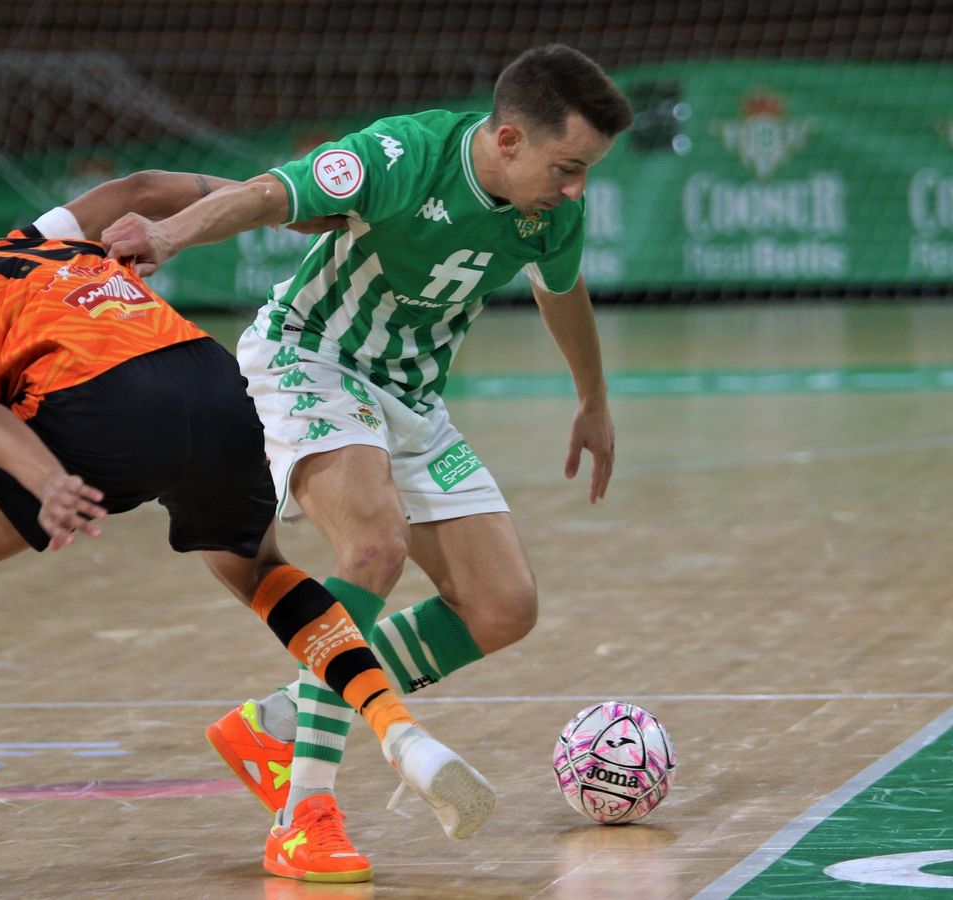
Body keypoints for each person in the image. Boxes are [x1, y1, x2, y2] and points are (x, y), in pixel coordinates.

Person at [0, 170, 496, 900]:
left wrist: (46, 476)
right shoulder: (10, 248)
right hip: (214, 383)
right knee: (255, 569)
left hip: (99, 405)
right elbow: (141, 188)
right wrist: (272, 208)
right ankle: (398, 728)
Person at [102, 44, 630, 881]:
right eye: (567, 166)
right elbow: (270, 194)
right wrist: (166, 234)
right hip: (310, 359)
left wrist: (593, 398)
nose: (576, 189)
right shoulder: (403, 155)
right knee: (372, 549)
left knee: (502, 606)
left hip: (412, 396)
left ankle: (273, 724)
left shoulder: (551, 214)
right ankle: (303, 810)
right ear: (507, 140)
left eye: (587, 172)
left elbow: (558, 288)